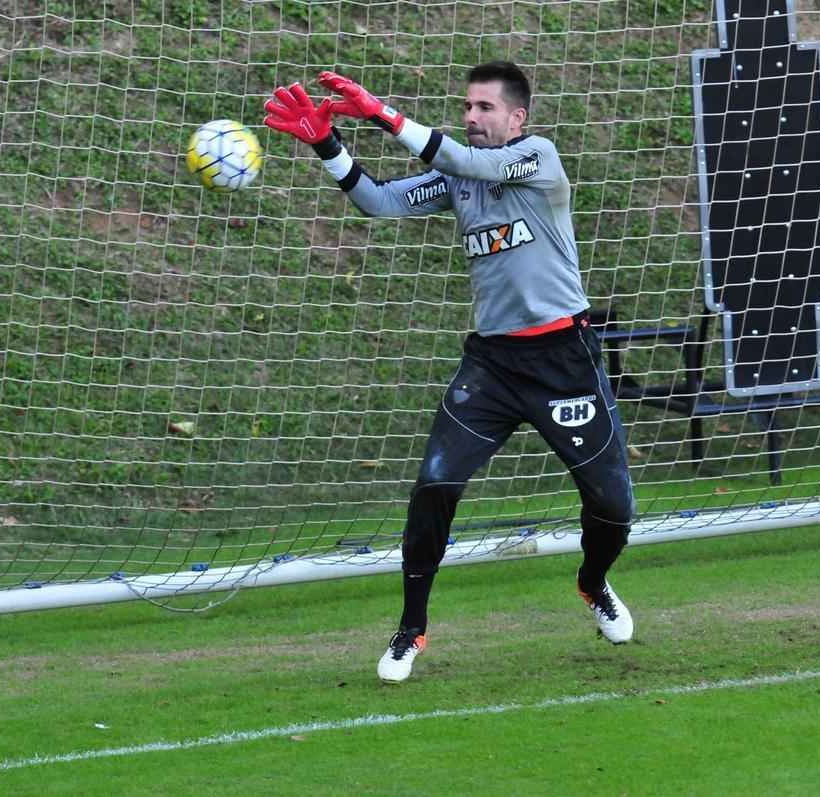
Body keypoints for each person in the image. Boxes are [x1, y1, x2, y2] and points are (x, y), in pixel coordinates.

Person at [264, 62, 635, 683]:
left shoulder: (538, 158)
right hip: (493, 365)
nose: (472, 116)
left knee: (613, 507)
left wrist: (382, 113)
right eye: (467, 107)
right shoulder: (458, 176)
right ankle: (411, 628)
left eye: (485, 108)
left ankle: (593, 582)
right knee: (435, 485)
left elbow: (465, 160)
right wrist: (328, 144)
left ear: (517, 118)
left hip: (563, 359)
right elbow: (380, 202)